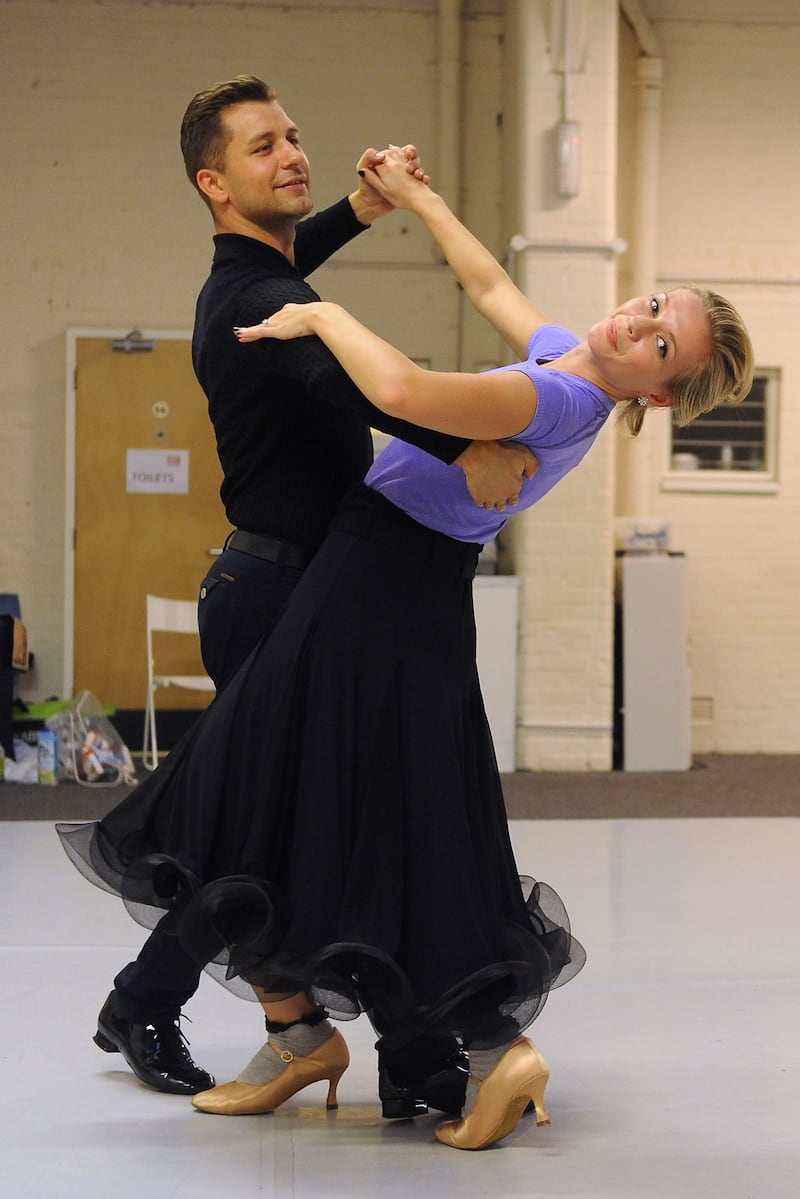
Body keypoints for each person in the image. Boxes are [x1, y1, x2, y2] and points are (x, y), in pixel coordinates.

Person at [58, 150, 752, 1151]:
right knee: (372, 802)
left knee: (302, 785)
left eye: (656, 341)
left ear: (658, 391)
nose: (631, 325)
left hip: (377, 577)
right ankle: (420, 1044)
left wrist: (319, 312)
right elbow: (490, 283)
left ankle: (439, 1039)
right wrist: (420, 199)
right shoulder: (568, 361)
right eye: (647, 304)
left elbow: (403, 389)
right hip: (398, 579)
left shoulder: (555, 402)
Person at [90, 75, 534, 1116]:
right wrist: (470, 438)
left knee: (303, 829)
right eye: (261, 148)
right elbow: (358, 384)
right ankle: (166, 1007)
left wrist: (356, 209)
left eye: (294, 137)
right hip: (275, 591)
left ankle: (376, 1045)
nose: (291, 154)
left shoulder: (258, 274)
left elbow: (286, 263)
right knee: (248, 836)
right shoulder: (261, 307)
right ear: (214, 182)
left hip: (308, 587)